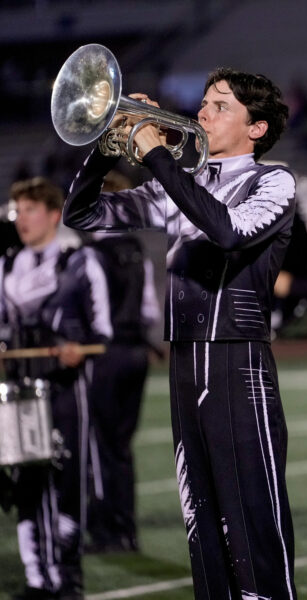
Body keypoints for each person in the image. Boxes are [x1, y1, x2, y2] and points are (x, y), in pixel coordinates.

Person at [62, 69, 298, 599]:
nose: (202, 114)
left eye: (220, 106)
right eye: (205, 102)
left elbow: (227, 231)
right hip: (185, 366)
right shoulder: (180, 186)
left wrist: (159, 157)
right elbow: (81, 213)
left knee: (252, 520)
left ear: (255, 129)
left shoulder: (273, 181)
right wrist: (109, 143)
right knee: (202, 524)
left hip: (238, 366)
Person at [0, 176, 112, 600]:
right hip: (21, 390)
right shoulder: (7, 265)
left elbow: (103, 331)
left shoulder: (81, 261)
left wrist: (77, 351)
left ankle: (69, 577)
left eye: (30, 210)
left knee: (66, 484)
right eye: (17, 211)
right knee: (26, 483)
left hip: (66, 390)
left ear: (52, 214)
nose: (21, 219)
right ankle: (37, 578)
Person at [84, 191, 161, 553]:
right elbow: (148, 309)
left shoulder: (92, 253)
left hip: (106, 354)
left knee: (101, 445)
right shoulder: (137, 249)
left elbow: (96, 317)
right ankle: (126, 529)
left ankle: (107, 531)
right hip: (137, 352)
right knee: (121, 447)